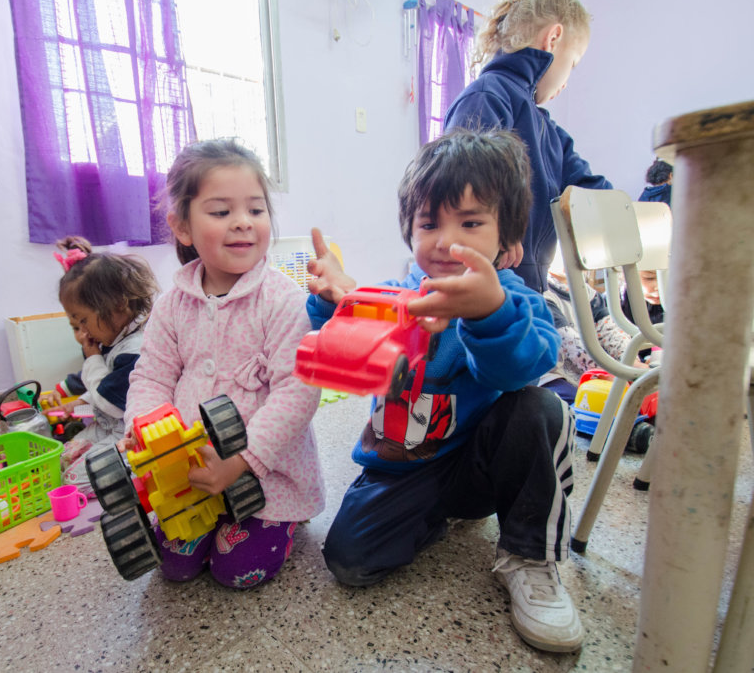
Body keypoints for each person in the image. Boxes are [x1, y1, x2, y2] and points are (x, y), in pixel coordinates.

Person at [307, 129, 583, 653]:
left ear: (509, 244)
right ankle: (430, 517)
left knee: (538, 408)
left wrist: (487, 313)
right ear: (409, 233)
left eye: (471, 222)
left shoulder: (520, 301)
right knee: (349, 560)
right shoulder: (393, 295)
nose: (445, 239)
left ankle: (529, 556)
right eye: (429, 222)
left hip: (482, 463)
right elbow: (340, 354)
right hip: (409, 464)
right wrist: (335, 301)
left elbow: (519, 368)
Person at [123, 138, 325, 590]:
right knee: (173, 567)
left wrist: (241, 461)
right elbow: (151, 375)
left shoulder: (284, 301)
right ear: (182, 227)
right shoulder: (172, 305)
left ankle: (285, 524)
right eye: (220, 212)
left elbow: (297, 393)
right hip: (192, 474)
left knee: (235, 572)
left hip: (267, 476)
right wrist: (141, 428)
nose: (243, 223)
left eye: (256, 210)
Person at [444, 0, 611, 293]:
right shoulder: (487, 96)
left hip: (530, 284)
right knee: (553, 338)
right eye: (572, 63)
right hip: (489, 284)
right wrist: (501, 229)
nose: (567, 80)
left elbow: (597, 194)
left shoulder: (551, 133)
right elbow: (461, 177)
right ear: (553, 39)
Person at [40, 236, 159, 496]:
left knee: (73, 481)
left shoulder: (135, 350)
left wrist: (92, 355)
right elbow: (107, 383)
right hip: (108, 426)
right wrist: (78, 403)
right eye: (76, 324)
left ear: (116, 305)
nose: (82, 333)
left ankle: (141, 471)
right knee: (62, 457)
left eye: (84, 321)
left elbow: (110, 401)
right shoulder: (115, 336)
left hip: (130, 436)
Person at [540, 262, 637, 405]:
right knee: (575, 402)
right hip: (555, 374)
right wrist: (614, 373)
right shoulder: (543, 295)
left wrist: (631, 360)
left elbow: (610, 331)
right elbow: (571, 346)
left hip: (596, 372)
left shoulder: (588, 294)